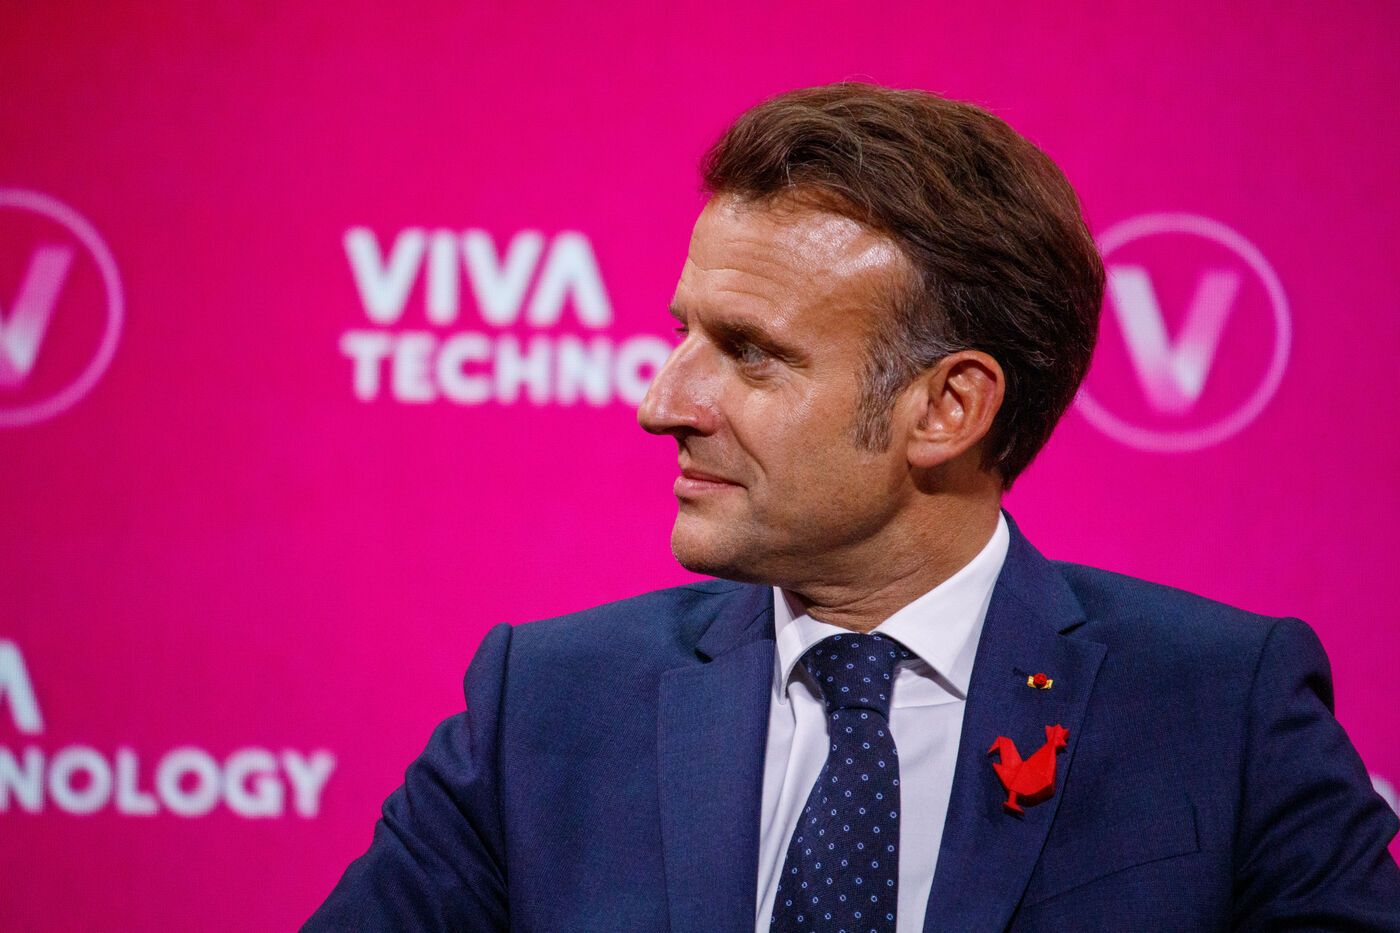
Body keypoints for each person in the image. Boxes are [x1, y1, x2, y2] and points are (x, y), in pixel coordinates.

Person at [304, 84, 1400, 931]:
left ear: (947, 407)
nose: (661, 403)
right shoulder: (544, 708)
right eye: (684, 333)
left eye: (750, 353)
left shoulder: (1220, 710)